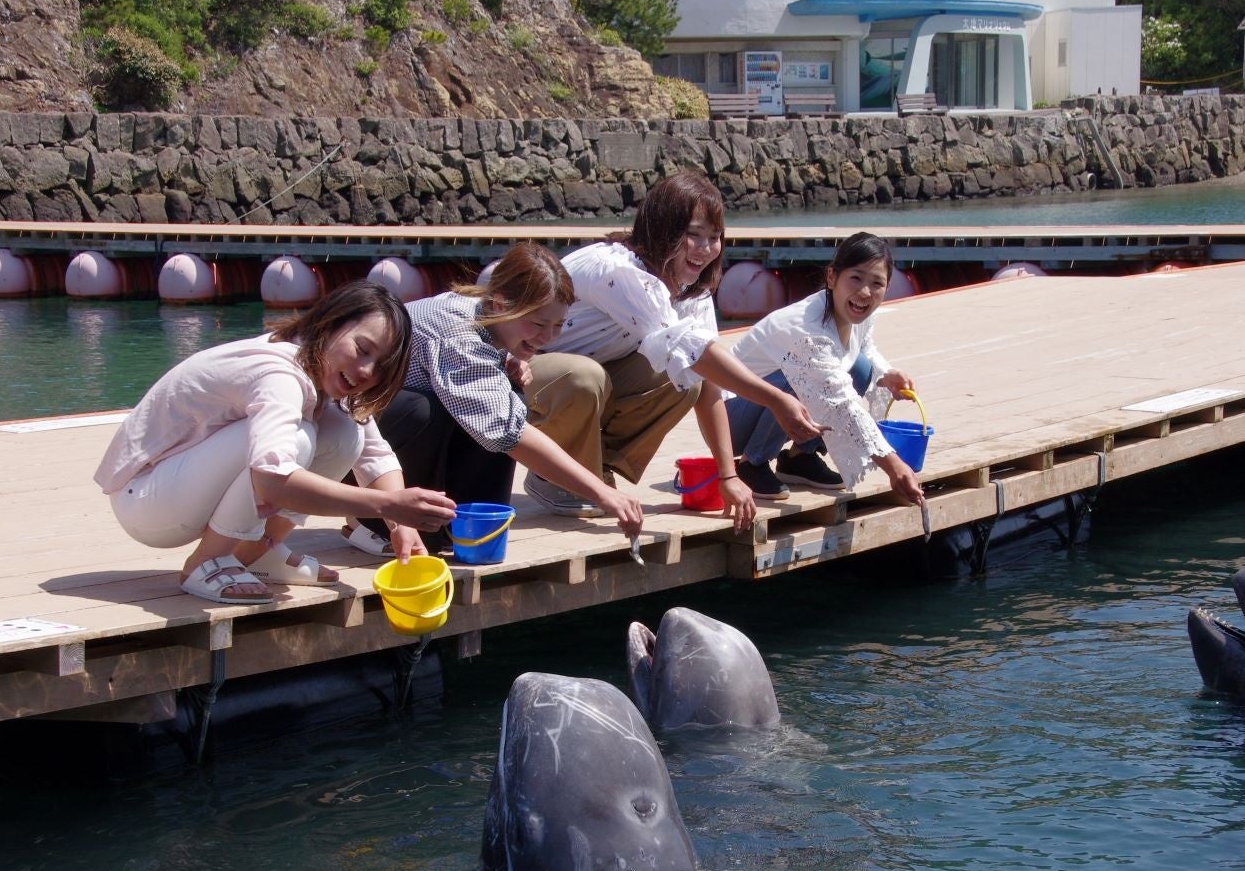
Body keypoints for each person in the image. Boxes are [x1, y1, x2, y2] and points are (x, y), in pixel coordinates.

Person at [95, 281, 457, 605]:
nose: (366, 371)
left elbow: (374, 455)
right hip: (146, 501)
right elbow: (271, 478)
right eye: (362, 349)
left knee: (345, 434)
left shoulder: (320, 370)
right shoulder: (279, 374)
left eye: (380, 367)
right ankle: (207, 561)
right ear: (329, 324)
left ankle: (256, 550)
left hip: (177, 489)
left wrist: (401, 526)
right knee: (296, 440)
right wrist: (387, 505)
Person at [522, 171, 824, 532]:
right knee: (586, 376)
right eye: (693, 235)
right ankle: (551, 476)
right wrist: (776, 399)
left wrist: (727, 474)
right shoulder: (617, 271)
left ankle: (592, 466)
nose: (706, 248)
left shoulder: (690, 291)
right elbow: (693, 351)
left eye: (714, 238)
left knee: (684, 379)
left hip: (579, 381)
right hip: (516, 372)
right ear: (661, 230)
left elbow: (705, 375)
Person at [341, 241, 644, 554]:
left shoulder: (489, 322)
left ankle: (462, 521)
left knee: (508, 397)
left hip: (402, 434)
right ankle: (368, 522)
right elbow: (511, 436)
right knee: (424, 410)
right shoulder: (458, 333)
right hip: (356, 445)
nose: (548, 337)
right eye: (539, 323)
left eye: (558, 324)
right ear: (500, 304)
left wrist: (504, 362)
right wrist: (600, 491)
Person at [725, 232, 925, 506]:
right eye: (855, 278)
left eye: (876, 283)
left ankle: (799, 458)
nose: (865, 292)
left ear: (887, 288)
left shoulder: (856, 313)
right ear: (832, 277)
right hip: (730, 417)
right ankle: (751, 463)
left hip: (766, 404)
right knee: (799, 376)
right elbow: (842, 403)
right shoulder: (805, 328)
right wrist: (894, 466)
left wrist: (885, 374)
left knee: (862, 368)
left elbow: (863, 349)